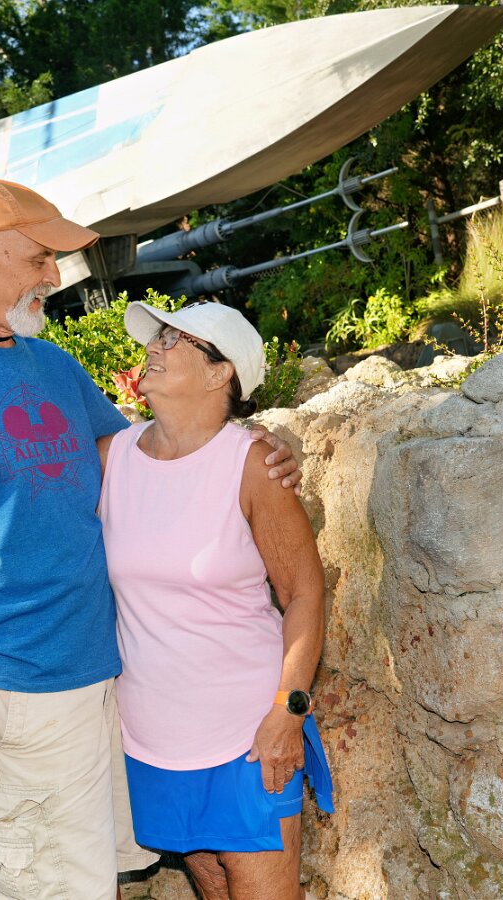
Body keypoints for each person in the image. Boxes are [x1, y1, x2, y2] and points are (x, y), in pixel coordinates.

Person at [0, 176, 299, 899]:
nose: (53, 278)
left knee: (125, 873)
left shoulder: (55, 366)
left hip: (110, 684)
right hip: (13, 692)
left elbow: (155, 456)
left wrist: (260, 445)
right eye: (38, 258)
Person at [98, 300, 334, 900]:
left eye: (175, 339)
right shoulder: (110, 458)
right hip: (151, 740)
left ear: (220, 372)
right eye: (157, 336)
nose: (154, 346)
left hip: (249, 733)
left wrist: (289, 711)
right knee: (211, 887)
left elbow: (304, 594)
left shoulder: (252, 464)